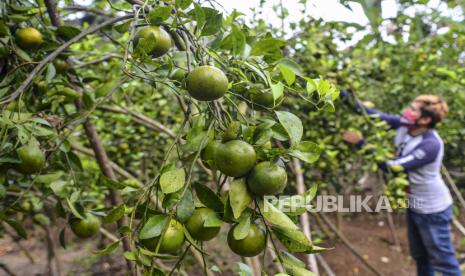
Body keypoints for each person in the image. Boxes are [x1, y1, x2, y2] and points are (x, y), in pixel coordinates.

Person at [342, 93, 461, 276]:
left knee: (444, 263)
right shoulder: (405, 126)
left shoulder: (430, 144)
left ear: (425, 119)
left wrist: (360, 143)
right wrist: (341, 94)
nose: (406, 111)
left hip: (433, 210)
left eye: (413, 109)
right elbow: (370, 113)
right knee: (421, 258)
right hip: (414, 205)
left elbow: (392, 167)